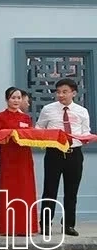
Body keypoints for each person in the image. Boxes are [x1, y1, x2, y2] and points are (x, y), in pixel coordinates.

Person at [37, 78, 90, 236]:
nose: (61, 95)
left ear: (73, 93)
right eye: (58, 92)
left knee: (71, 191)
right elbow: (39, 127)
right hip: (54, 153)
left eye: (65, 92)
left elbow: (86, 132)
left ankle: (68, 225)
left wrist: (80, 137)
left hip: (74, 154)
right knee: (50, 190)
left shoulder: (82, 111)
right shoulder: (48, 109)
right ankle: (45, 224)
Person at [0, 87, 37, 237]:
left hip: (24, 158)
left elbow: (31, 136)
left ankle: (26, 227)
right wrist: (12, 134)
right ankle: (8, 227)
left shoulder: (26, 118)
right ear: (7, 99)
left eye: (19, 98)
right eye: (13, 98)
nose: (16, 101)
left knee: (26, 190)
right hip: (9, 158)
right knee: (9, 191)